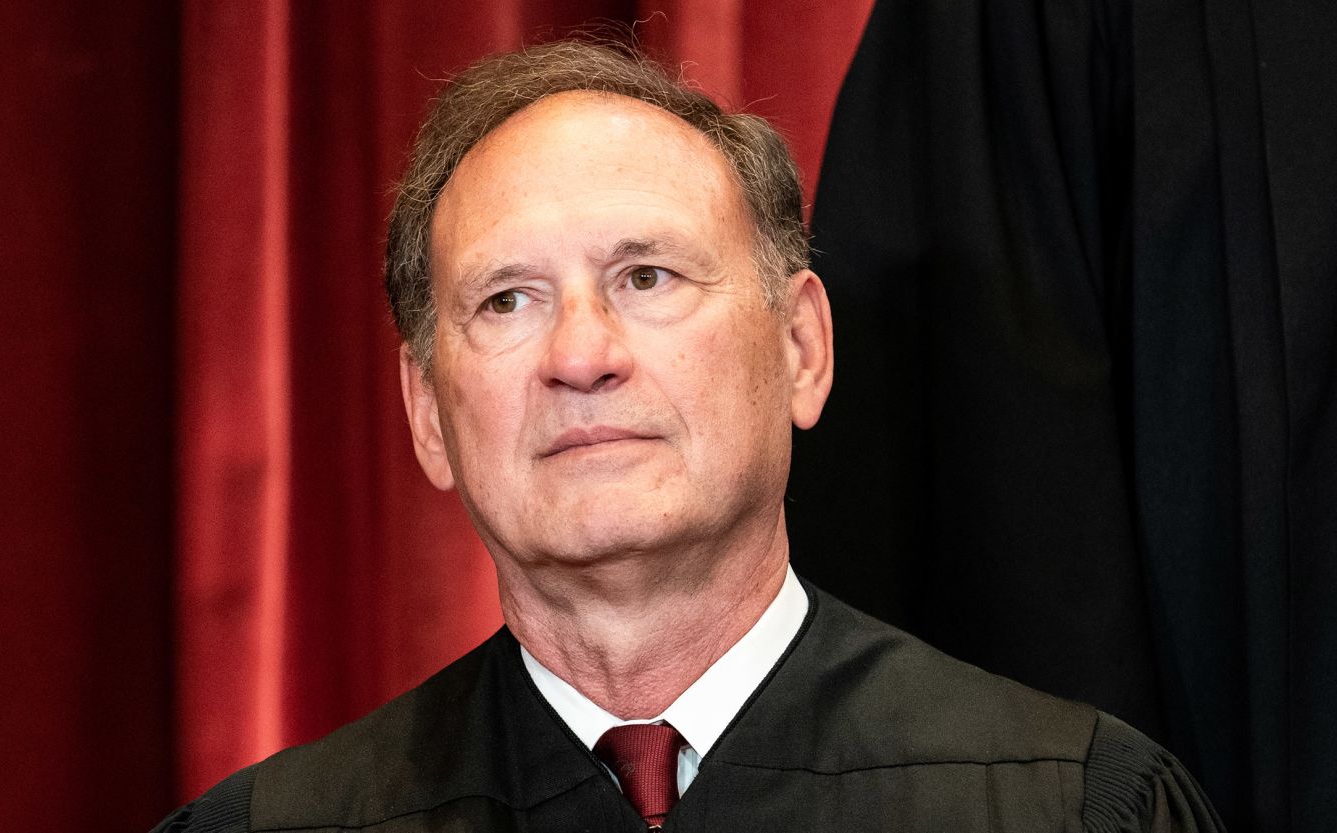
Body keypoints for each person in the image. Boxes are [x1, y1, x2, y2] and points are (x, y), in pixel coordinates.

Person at [152, 40, 1224, 833]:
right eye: (508, 301)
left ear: (801, 346)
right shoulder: (275, 825)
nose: (581, 353)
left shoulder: (1071, 804)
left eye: (646, 276)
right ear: (429, 413)